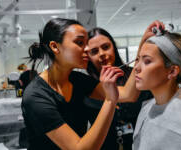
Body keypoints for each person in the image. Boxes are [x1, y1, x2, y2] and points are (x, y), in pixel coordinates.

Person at [21, 18, 143, 150]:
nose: (87, 49)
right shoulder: (35, 96)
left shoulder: (77, 80)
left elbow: (128, 94)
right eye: (80, 42)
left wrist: (142, 49)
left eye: (86, 43)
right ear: (55, 47)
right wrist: (110, 100)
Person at [132, 30, 181, 149]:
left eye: (147, 61)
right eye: (137, 60)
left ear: (172, 71)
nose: (136, 68)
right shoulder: (147, 108)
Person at [85, 27, 154, 150]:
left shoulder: (137, 77)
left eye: (106, 47)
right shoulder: (88, 87)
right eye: (94, 51)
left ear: (114, 48)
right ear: (88, 56)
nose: (101, 54)